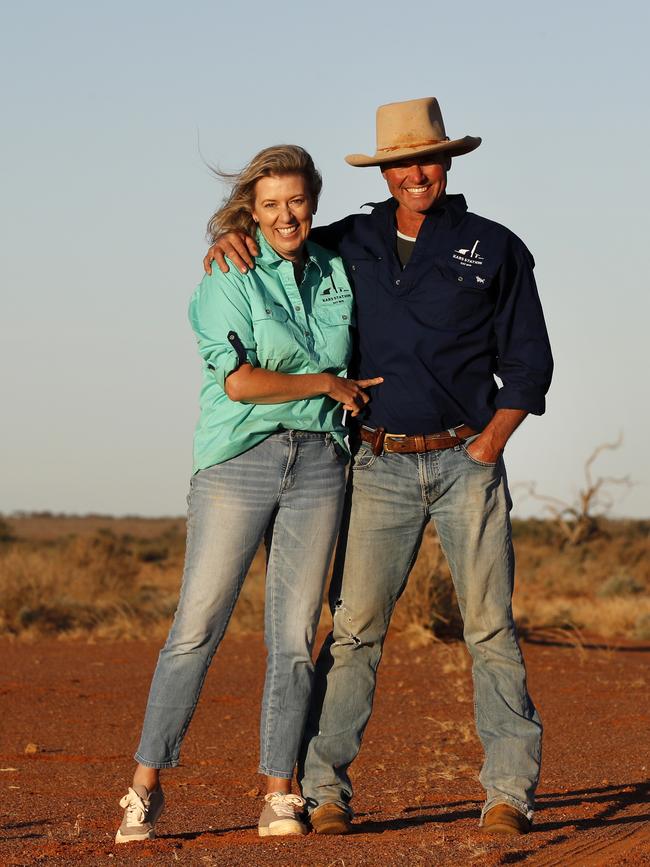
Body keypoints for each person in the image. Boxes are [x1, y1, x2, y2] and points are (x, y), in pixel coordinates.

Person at [204, 98, 554, 837]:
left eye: (425, 159)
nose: (414, 174)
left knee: (489, 627)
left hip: (468, 460)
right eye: (400, 163)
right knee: (356, 629)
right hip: (378, 463)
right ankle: (326, 790)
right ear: (385, 171)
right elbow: (280, 236)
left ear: (447, 162)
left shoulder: (494, 248)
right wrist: (228, 235)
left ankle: (508, 792)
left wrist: (489, 442)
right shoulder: (348, 240)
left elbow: (530, 363)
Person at [115, 144, 382, 843]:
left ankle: (278, 792)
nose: (285, 214)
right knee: (196, 627)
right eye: (269, 205)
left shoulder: (334, 269)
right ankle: (144, 785)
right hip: (240, 459)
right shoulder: (227, 274)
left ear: (313, 202)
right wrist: (325, 382)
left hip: (322, 462)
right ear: (250, 212)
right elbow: (239, 380)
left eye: (295, 200)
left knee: (293, 637)